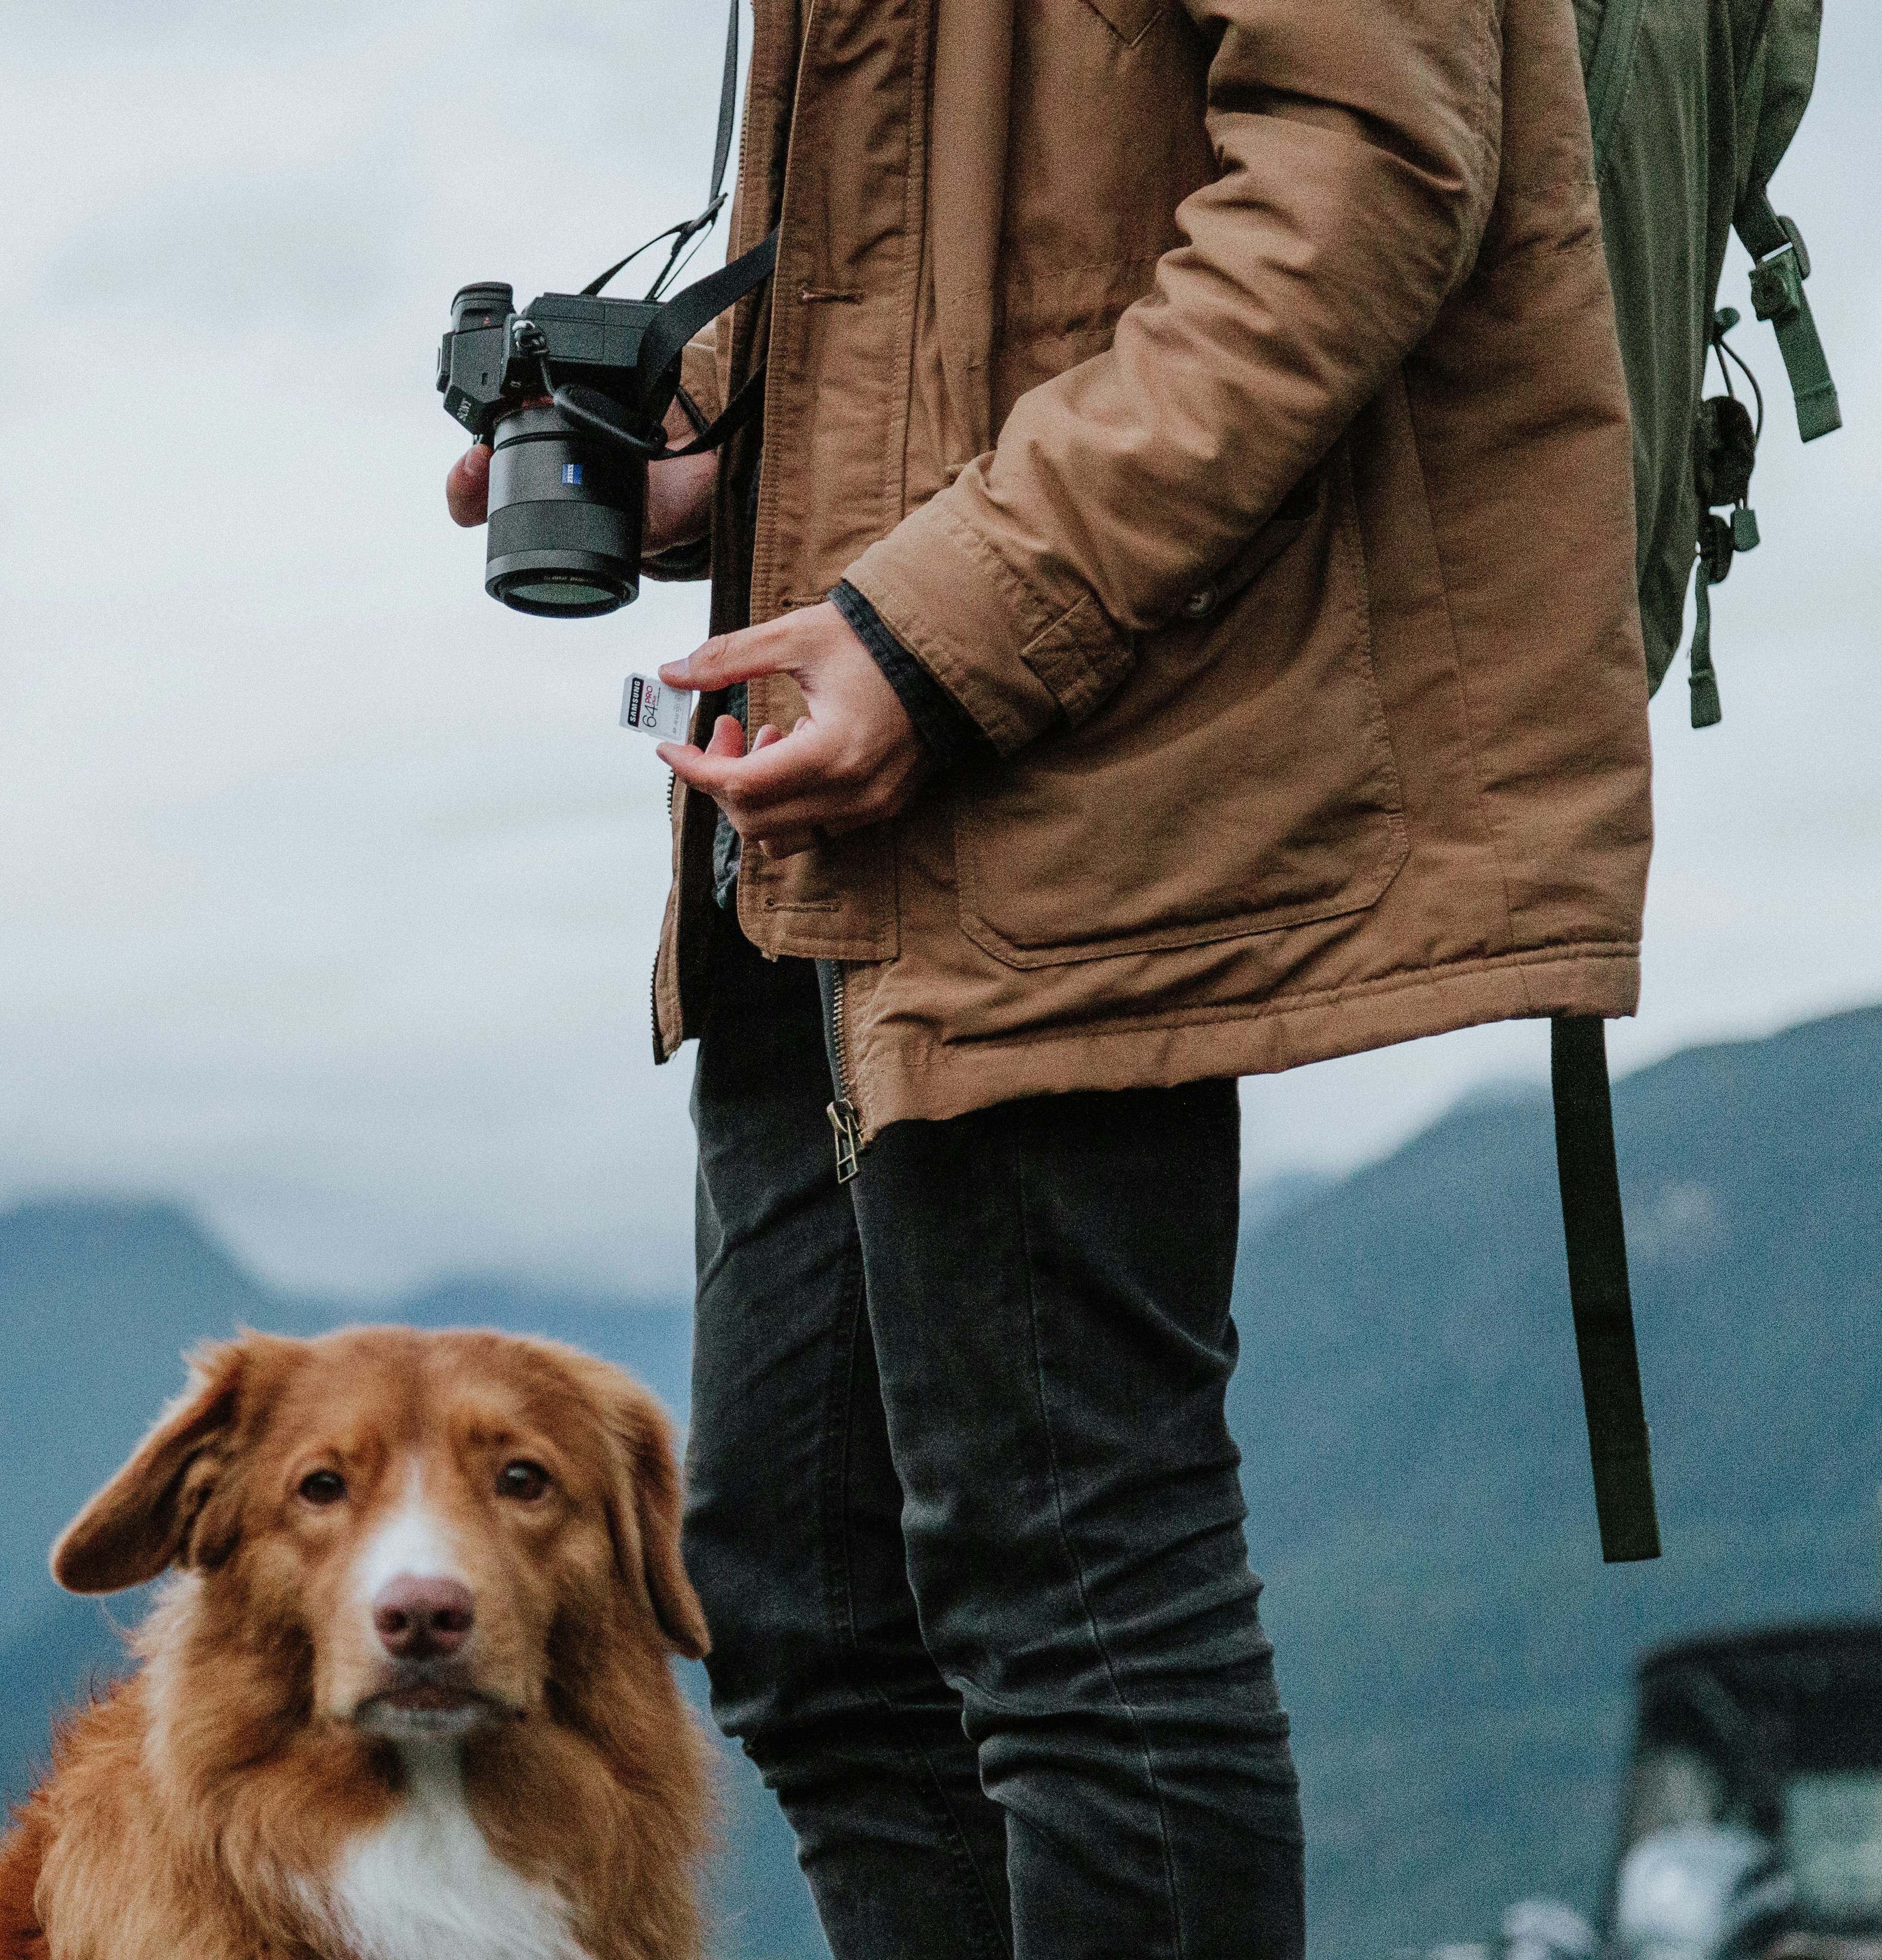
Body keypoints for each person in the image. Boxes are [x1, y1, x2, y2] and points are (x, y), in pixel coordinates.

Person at [445, 1, 1654, 1954]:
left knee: (1076, 1589)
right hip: (849, 753)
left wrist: (952, 626)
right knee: (815, 1610)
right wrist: (721, 456)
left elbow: (1371, 175)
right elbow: (959, 239)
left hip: (1078, 721)